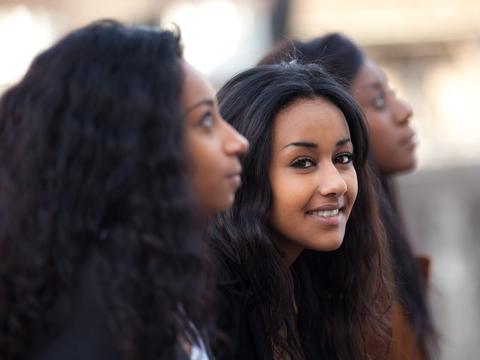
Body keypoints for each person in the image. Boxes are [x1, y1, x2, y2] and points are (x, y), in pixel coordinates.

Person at [0, 20, 248, 360]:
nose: (238, 141)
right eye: (205, 121)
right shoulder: (93, 310)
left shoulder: (140, 274)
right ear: (135, 143)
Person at [259, 33, 437, 359]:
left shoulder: (355, 253)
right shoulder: (238, 304)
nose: (405, 111)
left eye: (343, 158)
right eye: (378, 102)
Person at [208, 62, 391, 360]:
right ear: (242, 172)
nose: (336, 184)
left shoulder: (313, 284)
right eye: (303, 162)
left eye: (343, 158)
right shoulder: (210, 298)